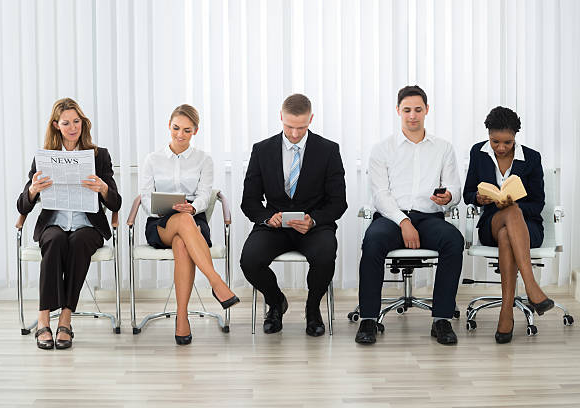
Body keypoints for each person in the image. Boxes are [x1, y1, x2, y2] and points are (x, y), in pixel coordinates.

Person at [355, 85, 464, 346]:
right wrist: (403, 222)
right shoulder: (382, 149)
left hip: (429, 218)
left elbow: (455, 188)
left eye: (418, 109)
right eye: (407, 110)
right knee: (372, 243)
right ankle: (368, 318)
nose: (412, 115)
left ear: (427, 110)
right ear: (398, 111)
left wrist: (448, 197)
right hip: (391, 218)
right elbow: (380, 194)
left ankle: (441, 319)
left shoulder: (443, 148)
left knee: (453, 241)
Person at [17, 98, 122, 350]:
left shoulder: (99, 155)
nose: (73, 127)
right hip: (54, 223)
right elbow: (22, 206)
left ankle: (65, 317)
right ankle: (44, 317)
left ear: (83, 123)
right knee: (54, 240)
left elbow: (116, 202)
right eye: (66, 123)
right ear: (56, 125)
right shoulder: (44, 157)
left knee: (78, 241)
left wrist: (103, 188)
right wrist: (33, 190)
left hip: (88, 225)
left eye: (77, 121)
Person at [240, 93, 347, 337]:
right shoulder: (262, 150)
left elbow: (339, 202)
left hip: (314, 226)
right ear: (281, 117)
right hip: (274, 226)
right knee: (250, 260)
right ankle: (276, 302)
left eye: (301, 127)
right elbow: (249, 201)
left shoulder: (328, 150)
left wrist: (314, 220)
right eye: (289, 126)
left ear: (311, 119)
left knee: (325, 255)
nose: (295, 133)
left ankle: (313, 308)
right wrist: (268, 217)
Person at [139, 104, 239, 345]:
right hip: (160, 223)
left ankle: (181, 317)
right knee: (181, 221)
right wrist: (167, 207)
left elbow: (205, 194)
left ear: (195, 130)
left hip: (193, 220)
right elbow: (144, 198)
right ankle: (217, 283)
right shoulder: (152, 159)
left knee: (182, 241)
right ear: (169, 126)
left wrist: (192, 208)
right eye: (176, 128)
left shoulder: (204, 160)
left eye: (186, 130)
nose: (180, 135)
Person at [463, 106, 554, 344]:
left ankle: (506, 312)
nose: (501, 148)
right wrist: (479, 198)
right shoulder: (478, 152)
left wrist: (513, 205)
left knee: (509, 227)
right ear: (488, 134)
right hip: (490, 224)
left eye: (508, 142)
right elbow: (467, 193)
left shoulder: (532, 158)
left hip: (527, 227)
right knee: (504, 224)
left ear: (516, 137)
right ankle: (532, 286)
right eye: (495, 142)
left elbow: (538, 203)